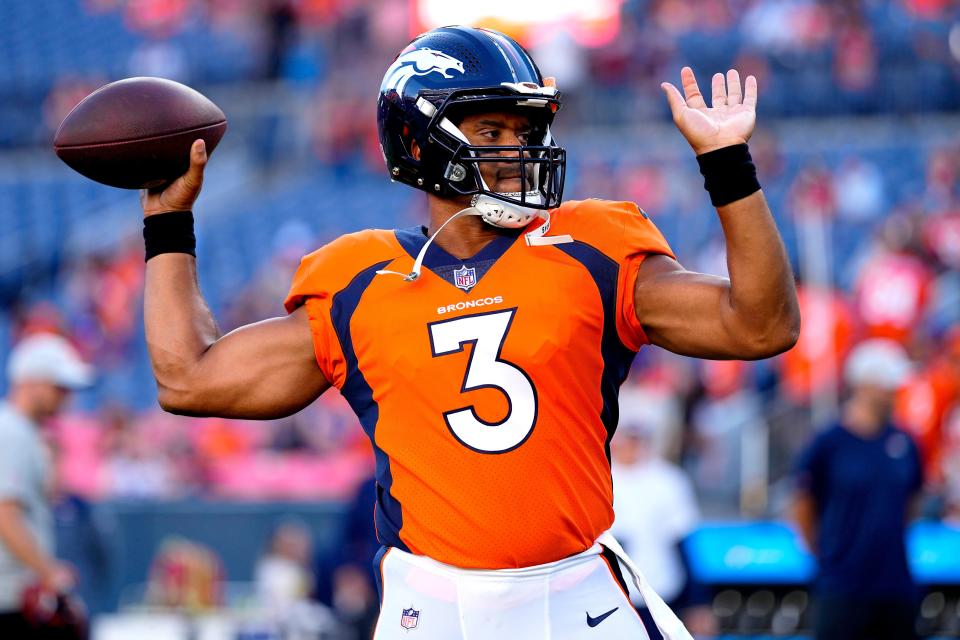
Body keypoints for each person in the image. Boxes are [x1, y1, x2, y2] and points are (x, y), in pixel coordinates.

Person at [138, 26, 799, 639]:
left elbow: (761, 325)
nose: (520, 148)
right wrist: (170, 222)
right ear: (421, 142)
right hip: (432, 606)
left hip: (573, 594)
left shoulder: (590, 244)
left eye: (527, 128)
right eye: (493, 128)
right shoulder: (359, 280)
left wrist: (728, 165)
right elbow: (188, 379)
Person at [792, 339, 923, 640]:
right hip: (842, 587)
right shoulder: (830, 443)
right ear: (864, 386)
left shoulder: (906, 443)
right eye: (889, 384)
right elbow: (803, 503)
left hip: (895, 586)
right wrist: (826, 555)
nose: (895, 391)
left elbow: (911, 503)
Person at [0, 333, 92, 637]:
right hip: (10, 596)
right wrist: (50, 572)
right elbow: (5, 513)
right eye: (58, 387)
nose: (65, 397)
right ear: (30, 382)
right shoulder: (11, 431)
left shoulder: (26, 433)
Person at [609, 397, 716, 639]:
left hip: (661, 592)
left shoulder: (668, 480)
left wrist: (698, 602)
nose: (631, 443)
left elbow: (682, 543)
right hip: (610, 597)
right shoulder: (598, 478)